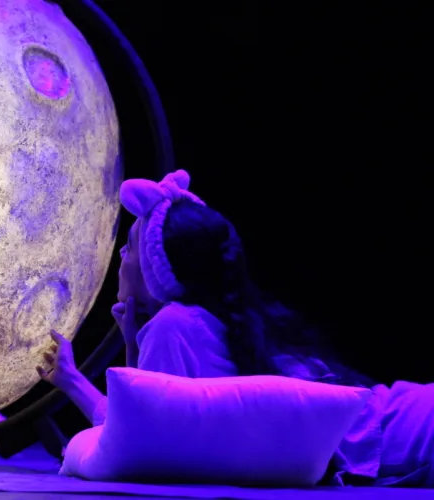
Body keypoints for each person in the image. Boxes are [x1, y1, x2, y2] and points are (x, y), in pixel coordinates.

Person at [37, 170, 434, 488]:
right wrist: (128, 344)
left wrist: (73, 380)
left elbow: (137, 441)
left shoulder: (173, 326)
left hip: (403, 439)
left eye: (131, 246)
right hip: (404, 419)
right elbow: (139, 422)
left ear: (158, 273)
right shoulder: (207, 319)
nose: (121, 254)